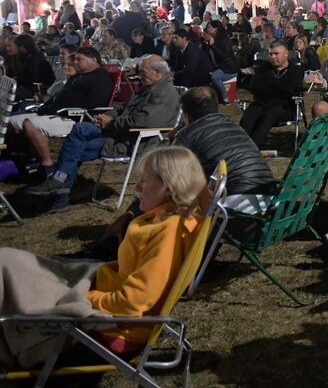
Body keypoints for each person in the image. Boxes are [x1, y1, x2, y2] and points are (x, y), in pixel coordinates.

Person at [0, 146, 208, 365]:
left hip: (116, 330)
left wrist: (82, 297)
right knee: (10, 262)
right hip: (102, 285)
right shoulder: (162, 220)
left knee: (10, 271)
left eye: (144, 181)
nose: (136, 188)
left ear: (169, 187)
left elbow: (133, 303)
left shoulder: (169, 233)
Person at [23, 55, 180, 211]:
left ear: (157, 72)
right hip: (119, 134)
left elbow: (145, 122)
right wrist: (106, 117)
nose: (140, 75)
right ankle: (59, 192)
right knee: (77, 139)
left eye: (143, 72)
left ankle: (58, 189)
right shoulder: (149, 88)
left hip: (133, 141)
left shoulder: (166, 94)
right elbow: (123, 109)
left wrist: (111, 123)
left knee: (77, 140)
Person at [7, 47, 115, 177]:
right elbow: (61, 96)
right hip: (54, 112)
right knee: (9, 121)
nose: (75, 62)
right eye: (74, 59)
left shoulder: (100, 78)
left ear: (94, 60)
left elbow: (94, 103)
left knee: (28, 123)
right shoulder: (79, 77)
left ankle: (47, 164)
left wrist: (62, 108)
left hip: (74, 117)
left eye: (79, 59)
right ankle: (29, 158)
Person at [240, 41, 304, 147]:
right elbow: (254, 87)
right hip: (261, 103)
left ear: (286, 54)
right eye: (271, 54)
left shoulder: (295, 70)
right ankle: (240, 145)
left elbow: (291, 90)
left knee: (270, 115)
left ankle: (253, 147)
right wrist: (279, 87)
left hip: (285, 107)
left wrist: (268, 85)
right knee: (249, 115)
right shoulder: (263, 68)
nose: (273, 57)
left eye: (276, 54)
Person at [6, 33, 56, 100]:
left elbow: (30, 79)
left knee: (9, 94)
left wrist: (14, 81)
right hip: (32, 87)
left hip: (37, 89)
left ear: (22, 47)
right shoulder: (29, 57)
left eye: (17, 46)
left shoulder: (34, 59)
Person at [203, 21, 239, 104]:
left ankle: (226, 98)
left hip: (230, 67)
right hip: (221, 66)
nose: (208, 30)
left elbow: (224, 56)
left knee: (215, 76)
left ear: (215, 29)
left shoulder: (223, 40)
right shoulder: (212, 39)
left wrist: (213, 45)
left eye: (209, 27)